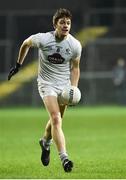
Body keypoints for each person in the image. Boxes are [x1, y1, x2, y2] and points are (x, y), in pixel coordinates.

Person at [8, 8, 82, 172]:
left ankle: (45, 142)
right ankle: (64, 158)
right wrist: (18, 65)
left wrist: (73, 89)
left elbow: (75, 68)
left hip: (63, 86)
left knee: (56, 121)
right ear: (55, 24)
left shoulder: (75, 45)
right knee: (56, 118)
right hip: (46, 83)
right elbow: (26, 43)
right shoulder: (43, 39)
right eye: (62, 22)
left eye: (68, 23)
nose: (66, 25)